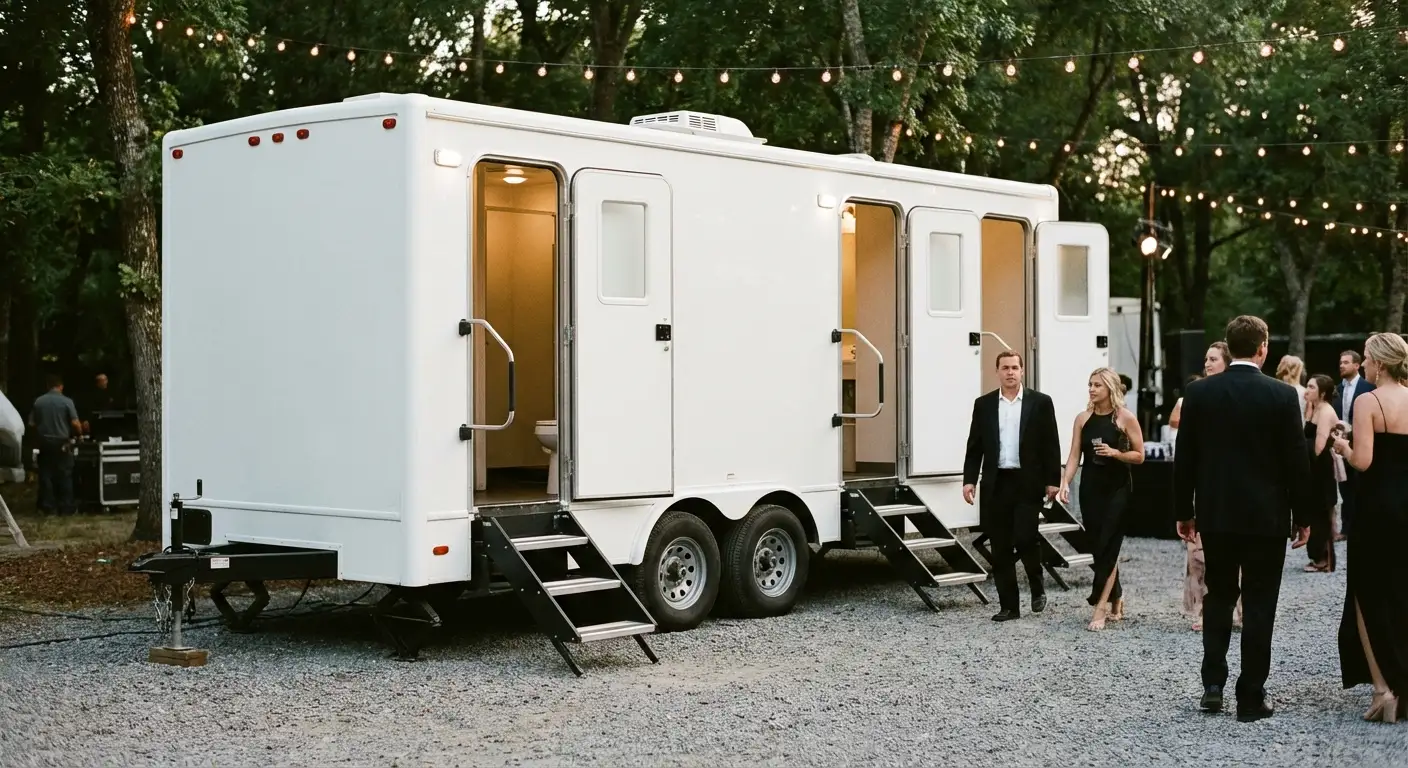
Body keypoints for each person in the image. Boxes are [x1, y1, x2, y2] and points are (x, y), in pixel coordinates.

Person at [1174, 315, 1311, 722]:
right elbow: (1296, 462)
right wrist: (1304, 516)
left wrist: (1184, 511)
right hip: (1266, 517)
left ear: (1230, 349)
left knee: (1218, 595)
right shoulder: (1283, 397)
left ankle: (1213, 684)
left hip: (1216, 514)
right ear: (1263, 348)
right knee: (1260, 601)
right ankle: (1251, 693)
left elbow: (1186, 459)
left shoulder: (1199, 394)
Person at [1331, 332, 1408, 724]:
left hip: (1378, 508)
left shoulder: (1368, 401)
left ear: (1378, 362)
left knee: (1366, 589)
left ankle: (1384, 690)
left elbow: (1362, 461)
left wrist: (1342, 448)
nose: (1362, 363)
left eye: (1365, 357)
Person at [962, 350, 1062, 622]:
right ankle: (1009, 607)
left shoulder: (1039, 403)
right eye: (1005, 367)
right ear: (997, 371)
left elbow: (1051, 443)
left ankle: (1037, 585)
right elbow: (975, 446)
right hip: (996, 483)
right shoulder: (983, 405)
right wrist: (969, 479)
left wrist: (1054, 480)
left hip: (1027, 482)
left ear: (1022, 371)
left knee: (1026, 536)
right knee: (1000, 546)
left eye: (1014, 367)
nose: (1010, 372)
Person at [1059, 367, 1144, 631]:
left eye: (1097, 385)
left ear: (1110, 388)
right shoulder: (1082, 419)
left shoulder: (1124, 418)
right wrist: (1065, 483)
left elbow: (1140, 455)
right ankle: (1117, 596)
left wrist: (1116, 453)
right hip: (1091, 489)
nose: (1092, 389)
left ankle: (1100, 607)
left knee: (1108, 544)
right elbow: (1074, 456)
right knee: (1100, 547)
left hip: (1118, 488)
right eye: (1090, 385)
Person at [27, 374, 82, 516]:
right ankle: (66, 507)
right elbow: (75, 423)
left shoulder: (38, 402)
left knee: (46, 475)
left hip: (44, 443)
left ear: (47, 386)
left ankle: (47, 507)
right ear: (61, 386)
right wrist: (79, 435)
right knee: (64, 475)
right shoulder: (67, 402)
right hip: (62, 443)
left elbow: (31, 423)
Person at [1335, 350, 1376, 538]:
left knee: (1361, 486)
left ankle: (1361, 526)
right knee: (1344, 487)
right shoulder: (1337, 389)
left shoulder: (1369, 387)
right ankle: (1345, 528)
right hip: (1341, 443)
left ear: (1356, 365)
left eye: (1346, 362)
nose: (1341, 365)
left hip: (1363, 440)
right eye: (1340, 362)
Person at [1303, 374, 1340, 573]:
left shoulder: (1325, 411)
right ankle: (1316, 554)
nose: (1306, 390)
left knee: (1322, 511)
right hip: (1312, 467)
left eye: (1311, 387)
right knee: (1313, 510)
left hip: (1321, 467)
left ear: (1322, 392)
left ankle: (1324, 558)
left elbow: (1319, 446)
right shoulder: (1312, 408)